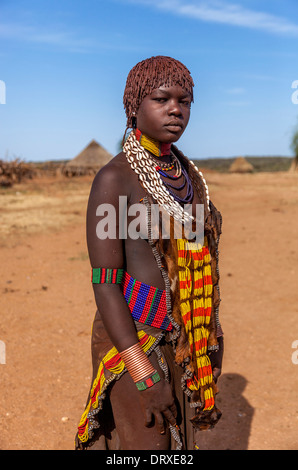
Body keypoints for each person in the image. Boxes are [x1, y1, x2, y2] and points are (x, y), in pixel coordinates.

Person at [75, 56, 224, 451]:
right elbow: (105, 284)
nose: (176, 109)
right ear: (134, 105)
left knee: (180, 445)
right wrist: (143, 373)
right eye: (162, 99)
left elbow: (198, 266)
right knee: (148, 445)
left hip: (183, 337)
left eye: (185, 100)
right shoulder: (114, 178)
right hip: (133, 338)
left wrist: (207, 333)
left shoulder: (187, 175)